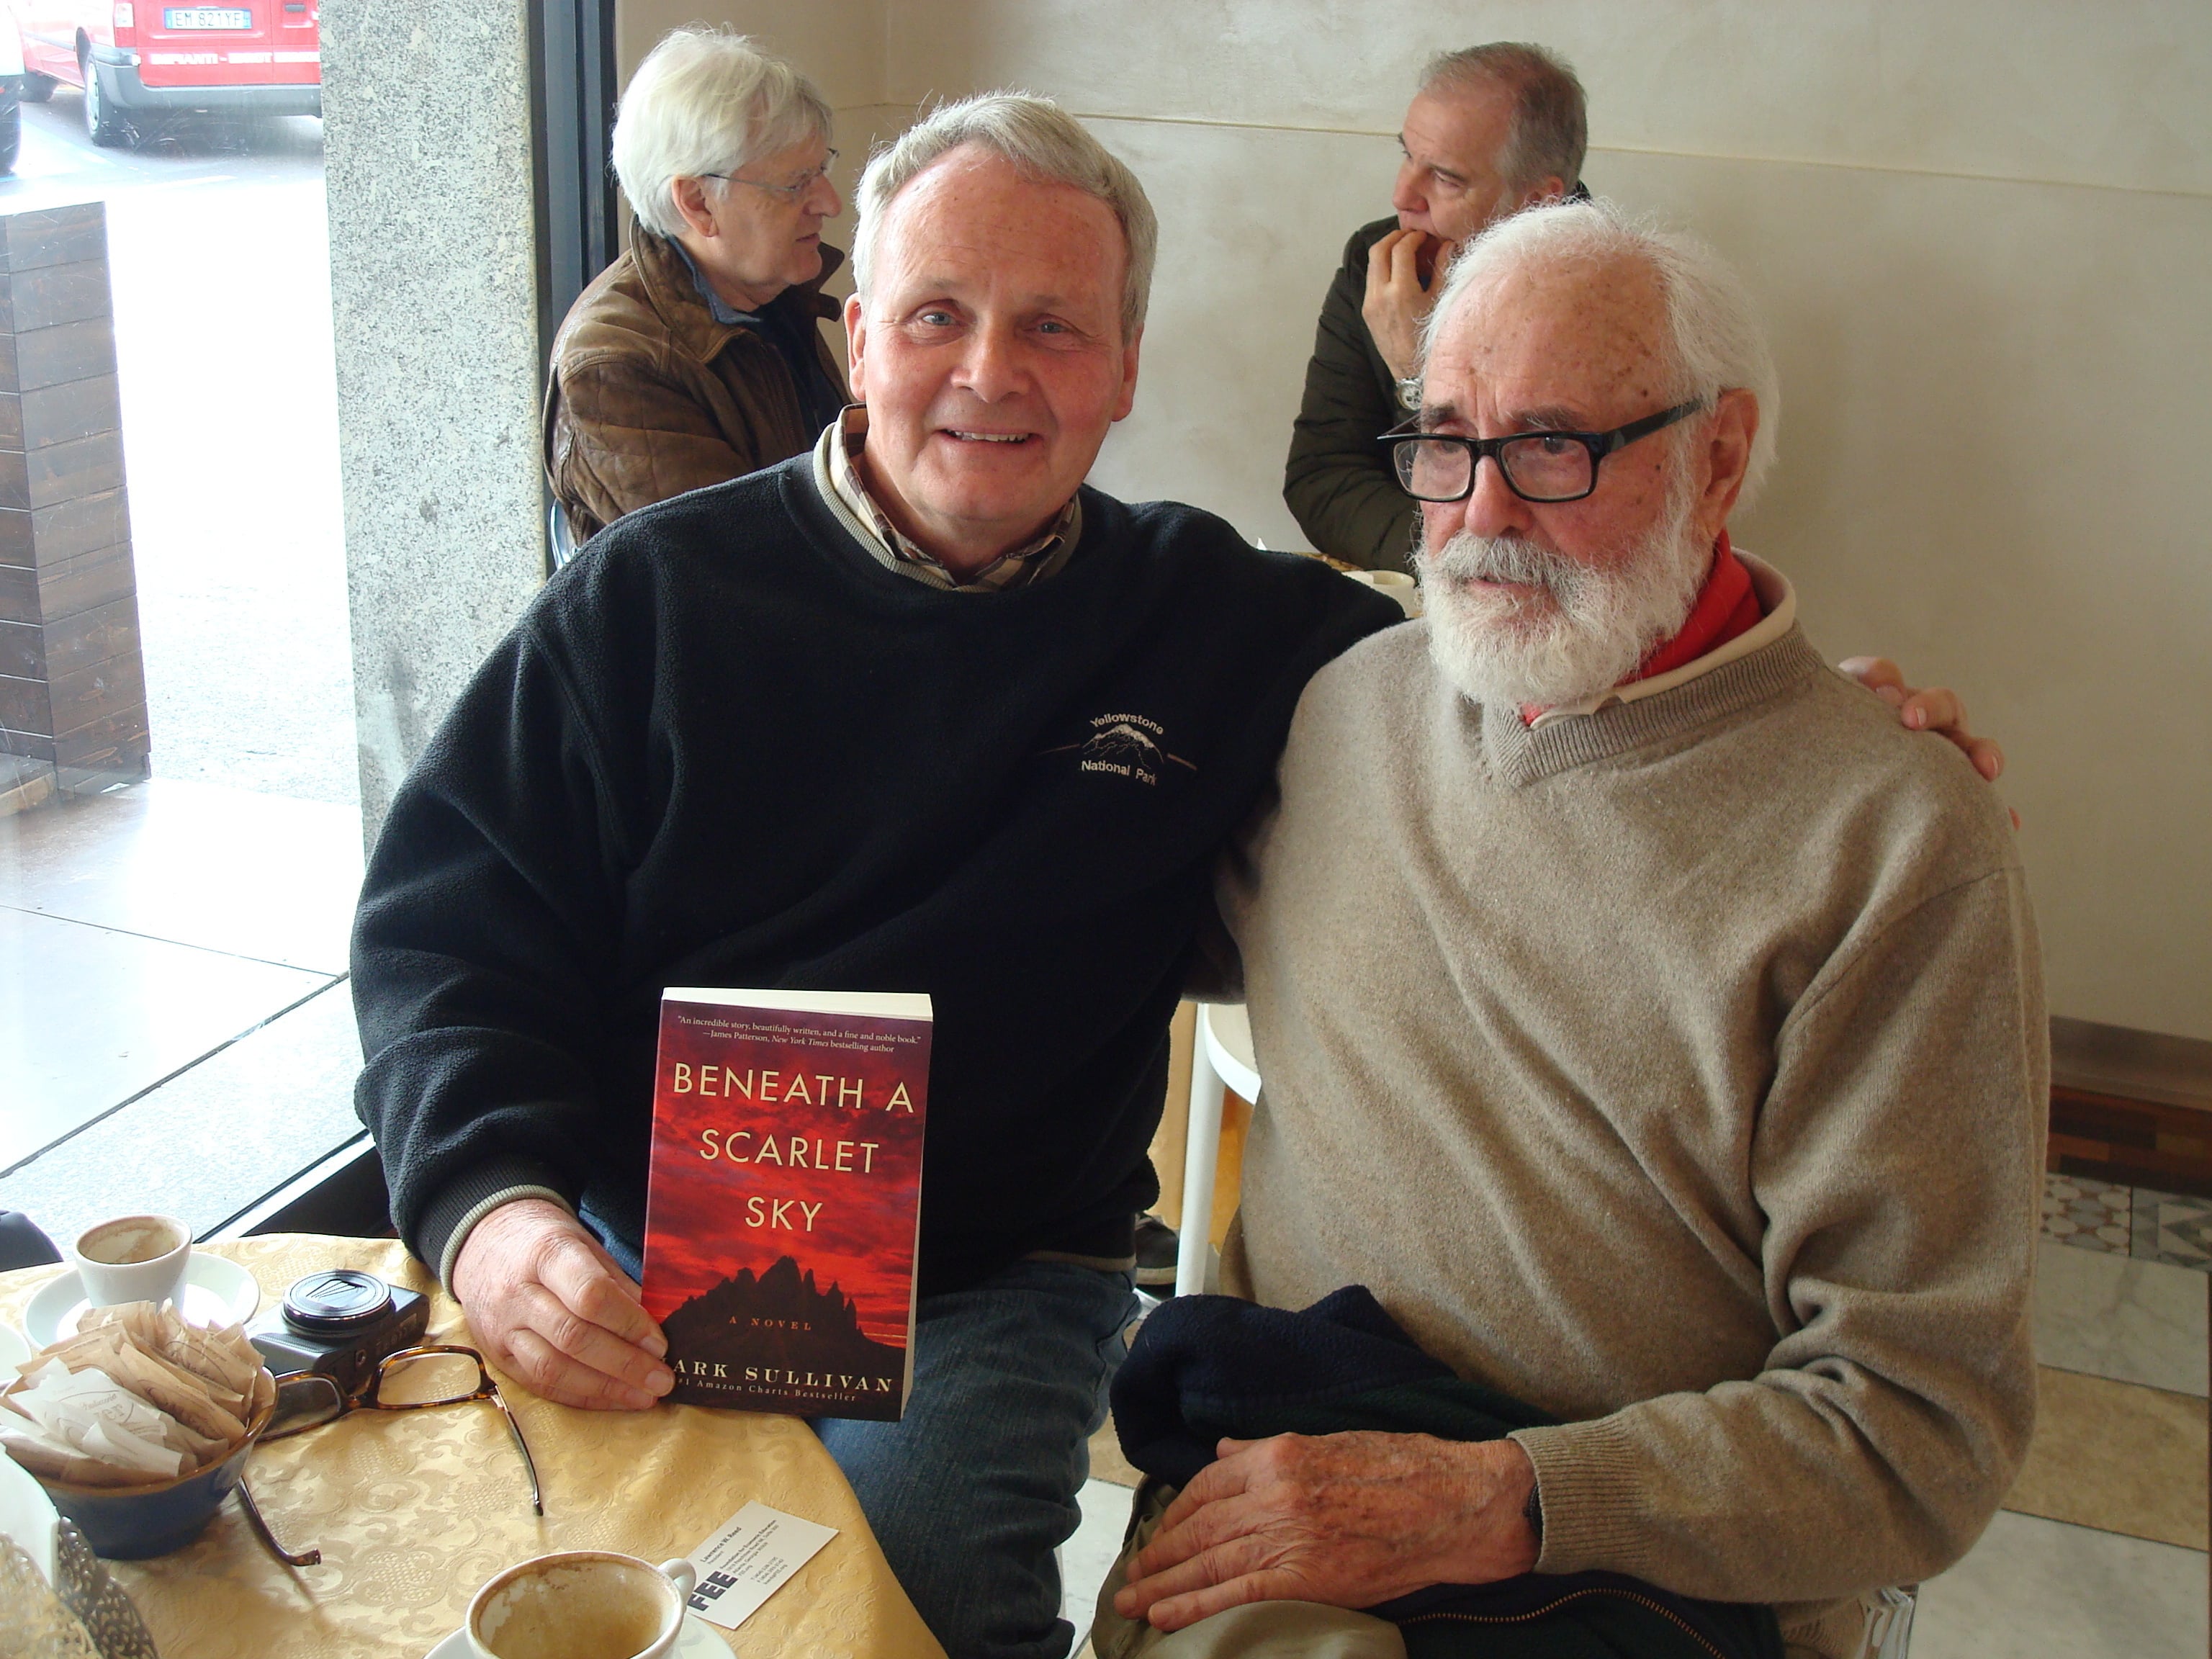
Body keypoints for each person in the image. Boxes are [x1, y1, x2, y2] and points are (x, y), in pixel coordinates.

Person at [358, 94, 1998, 1659]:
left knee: (910, 1605)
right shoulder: (649, 602)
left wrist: (1797, 717)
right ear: (853, 340)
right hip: (648, 1242)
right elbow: (447, 930)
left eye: (1051, 325)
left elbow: (1577, 683)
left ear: (1126, 367)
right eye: (933, 315)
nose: (987, 372)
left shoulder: (1229, 638)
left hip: (986, 1275)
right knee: (541, 1585)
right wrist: (490, 1207)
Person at [1113, 199, 2044, 1659]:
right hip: (1285, 1480)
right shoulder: (1342, 712)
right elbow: (1072, 906)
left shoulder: (1890, 842)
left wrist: (1499, 1499)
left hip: (1633, 1577)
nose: (1481, 515)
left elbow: (1922, 1434)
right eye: (1444, 442)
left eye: (1553, 447)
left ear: (1718, 457)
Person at [1285, 42, 1586, 572]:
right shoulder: (1378, 261)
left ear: (1538, 202)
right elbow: (1322, 478)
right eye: (1407, 155)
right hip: (1430, 580)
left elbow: (1553, 512)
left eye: (1446, 178)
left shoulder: (1615, 297)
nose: (1403, 195)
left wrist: (1418, 373)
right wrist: (1449, 567)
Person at [543, 27, 849, 541]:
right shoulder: (614, 367)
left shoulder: (763, 288)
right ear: (698, 204)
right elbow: (738, 563)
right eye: (796, 184)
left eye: (820, 170)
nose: (830, 203)